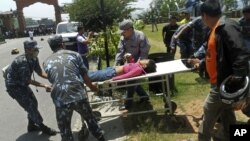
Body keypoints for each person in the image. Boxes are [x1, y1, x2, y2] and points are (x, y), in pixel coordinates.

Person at [188, 1, 250, 140]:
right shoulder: (216, 28)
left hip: (224, 82)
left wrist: (237, 80)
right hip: (220, 82)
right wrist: (202, 63)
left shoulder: (227, 26)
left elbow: (240, 53)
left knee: (208, 112)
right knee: (226, 112)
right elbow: (217, 55)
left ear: (204, 15)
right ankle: (230, 136)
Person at [44, 35, 106, 141]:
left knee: (64, 129)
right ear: (62, 44)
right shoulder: (74, 55)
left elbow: (54, 80)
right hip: (78, 95)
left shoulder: (46, 62)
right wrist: (92, 87)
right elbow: (85, 75)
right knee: (91, 120)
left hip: (61, 100)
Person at [4, 39, 57, 136]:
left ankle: (31, 126)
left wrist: (53, 78)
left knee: (34, 102)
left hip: (22, 84)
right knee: (30, 106)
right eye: (35, 49)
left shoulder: (34, 58)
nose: (37, 51)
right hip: (14, 86)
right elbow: (28, 80)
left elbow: (40, 72)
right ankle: (43, 128)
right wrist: (44, 85)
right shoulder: (22, 62)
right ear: (28, 50)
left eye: (37, 48)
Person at [114, 19, 151, 110]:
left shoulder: (141, 36)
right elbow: (120, 51)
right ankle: (144, 96)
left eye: (123, 32)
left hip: (140, 63)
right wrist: (116, 64)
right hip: (130, 62)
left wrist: (136, 66)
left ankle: (127, 104)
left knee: (130, 82)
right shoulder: (123, 38)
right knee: (133, 81)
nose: (121, 34)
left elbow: (144, 54)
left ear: (130, 29)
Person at [88, 58, 156, 82]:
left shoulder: (138, 70)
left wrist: (113, 79)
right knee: (92, 74)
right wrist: (130, 59)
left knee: (90, 76)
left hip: (111, 73)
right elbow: (130, 66)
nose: (145, 59)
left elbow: (127, 75)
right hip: (111, 70)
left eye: (146, 60)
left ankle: (78, 78)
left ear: (144, 66)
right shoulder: (138, 66)